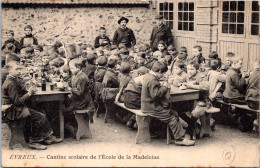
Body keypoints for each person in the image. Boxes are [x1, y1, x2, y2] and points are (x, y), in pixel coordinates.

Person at [2, 62, 62, 150]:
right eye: (16, 69)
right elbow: (17, 102)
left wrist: (28, 87)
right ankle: (34, 141)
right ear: (9, 70)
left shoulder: (13, 79)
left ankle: (46, 136)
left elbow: (20, 89)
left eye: (20, 69)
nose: (19, 71)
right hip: (11, 111)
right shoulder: (10, 83)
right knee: (40, 117)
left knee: (41, 110)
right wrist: (29, 93)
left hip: (15, 108)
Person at [141, 61, 195, 146]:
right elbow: (155, 94)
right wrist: (164, 87)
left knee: (174, 113)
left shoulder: (148, 76)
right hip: (151, 107)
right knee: (171, 117)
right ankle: (179, 139)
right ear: (159, 72)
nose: (163, 75)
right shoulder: (152, 79)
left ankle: (177, 134)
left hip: (149, 105)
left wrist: (161, 85)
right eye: (163, 74)